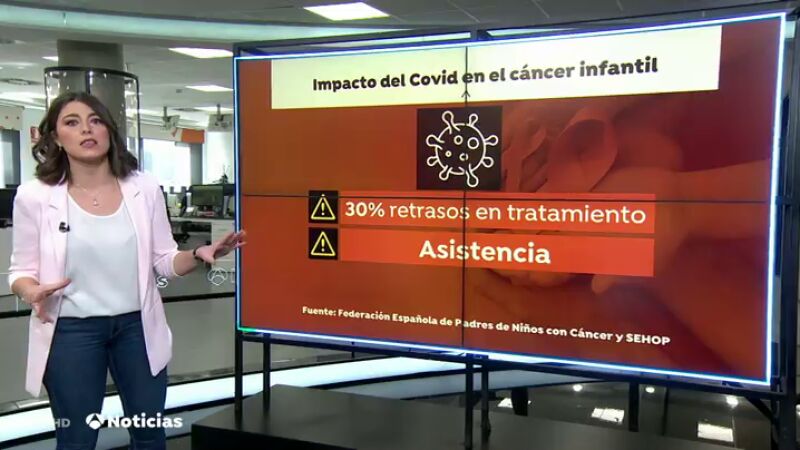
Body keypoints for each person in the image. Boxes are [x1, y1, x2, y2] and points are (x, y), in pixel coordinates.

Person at [8, 91, 246, 450]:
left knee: (149, 433)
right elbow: (21, 271)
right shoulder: (35, 196)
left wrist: (198, 253)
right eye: (72, 122)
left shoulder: (143, 187)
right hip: (71, 331)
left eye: (95, 120)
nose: (86, 129)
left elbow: (164, 259)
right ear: (55, 137)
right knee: (76, 438)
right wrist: (30, 290)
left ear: (109, 130)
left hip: (137, 328)